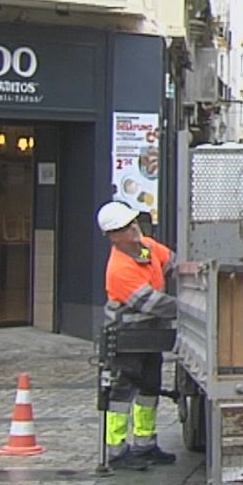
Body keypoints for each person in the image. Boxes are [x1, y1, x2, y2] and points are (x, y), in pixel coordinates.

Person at [97, 200, 178, 471]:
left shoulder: (148, 247)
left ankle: (144, 445)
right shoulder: (119, 268)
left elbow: (173, 262)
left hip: (151, 336)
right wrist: (191, 307)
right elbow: (152, 303)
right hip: (127, 338)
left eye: (132, 223)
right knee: (122, 395)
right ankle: (117, 451)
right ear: (112, 236)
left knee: (149, 390)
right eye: (124, 227)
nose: (133, 229)